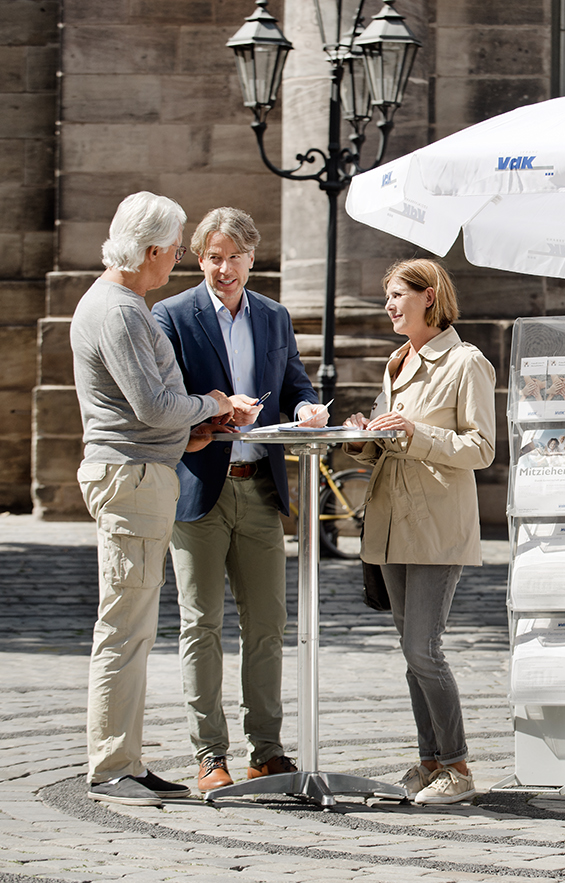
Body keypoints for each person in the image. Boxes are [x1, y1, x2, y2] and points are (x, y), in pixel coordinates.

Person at [70, 191, 260, 806]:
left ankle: (125, 758)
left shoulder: (117, 304)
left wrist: (191, 432)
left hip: (139, 470)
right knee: (125, 628)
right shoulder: (121, 310)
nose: (177, 263)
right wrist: (213, 403)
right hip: (132, 478)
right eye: (177, 252)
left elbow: (143, 412)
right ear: (151, 250)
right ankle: (112, 767)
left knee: (133, 626)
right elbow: (152, 406)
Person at [151, 207, 329, 793]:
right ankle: (210, 755)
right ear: (199, 260)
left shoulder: (274, 316)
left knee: (268, 625)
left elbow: (294, 382)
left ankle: (267, 752)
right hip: (198, 489)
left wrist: (306, 407)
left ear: (253, 258)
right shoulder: (172, 315)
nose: (223, 268)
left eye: (234, 257)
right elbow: (164, 399)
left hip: (260, 488)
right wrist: (218, 410)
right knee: (201, 624)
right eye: (212, 257)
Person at [343, 258, 496, 806]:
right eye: (386, 296)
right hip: (389, 523)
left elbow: (482, 448)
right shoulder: (396, 361)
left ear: (429, 297)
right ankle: (429, 761)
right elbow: (389, 443)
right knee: (412, 654)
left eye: (397, 295)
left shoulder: (466, 362)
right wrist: (361, 436)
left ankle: (457, 767)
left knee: (423, 649)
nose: (389, 305)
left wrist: (414, 433)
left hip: (436, 525)